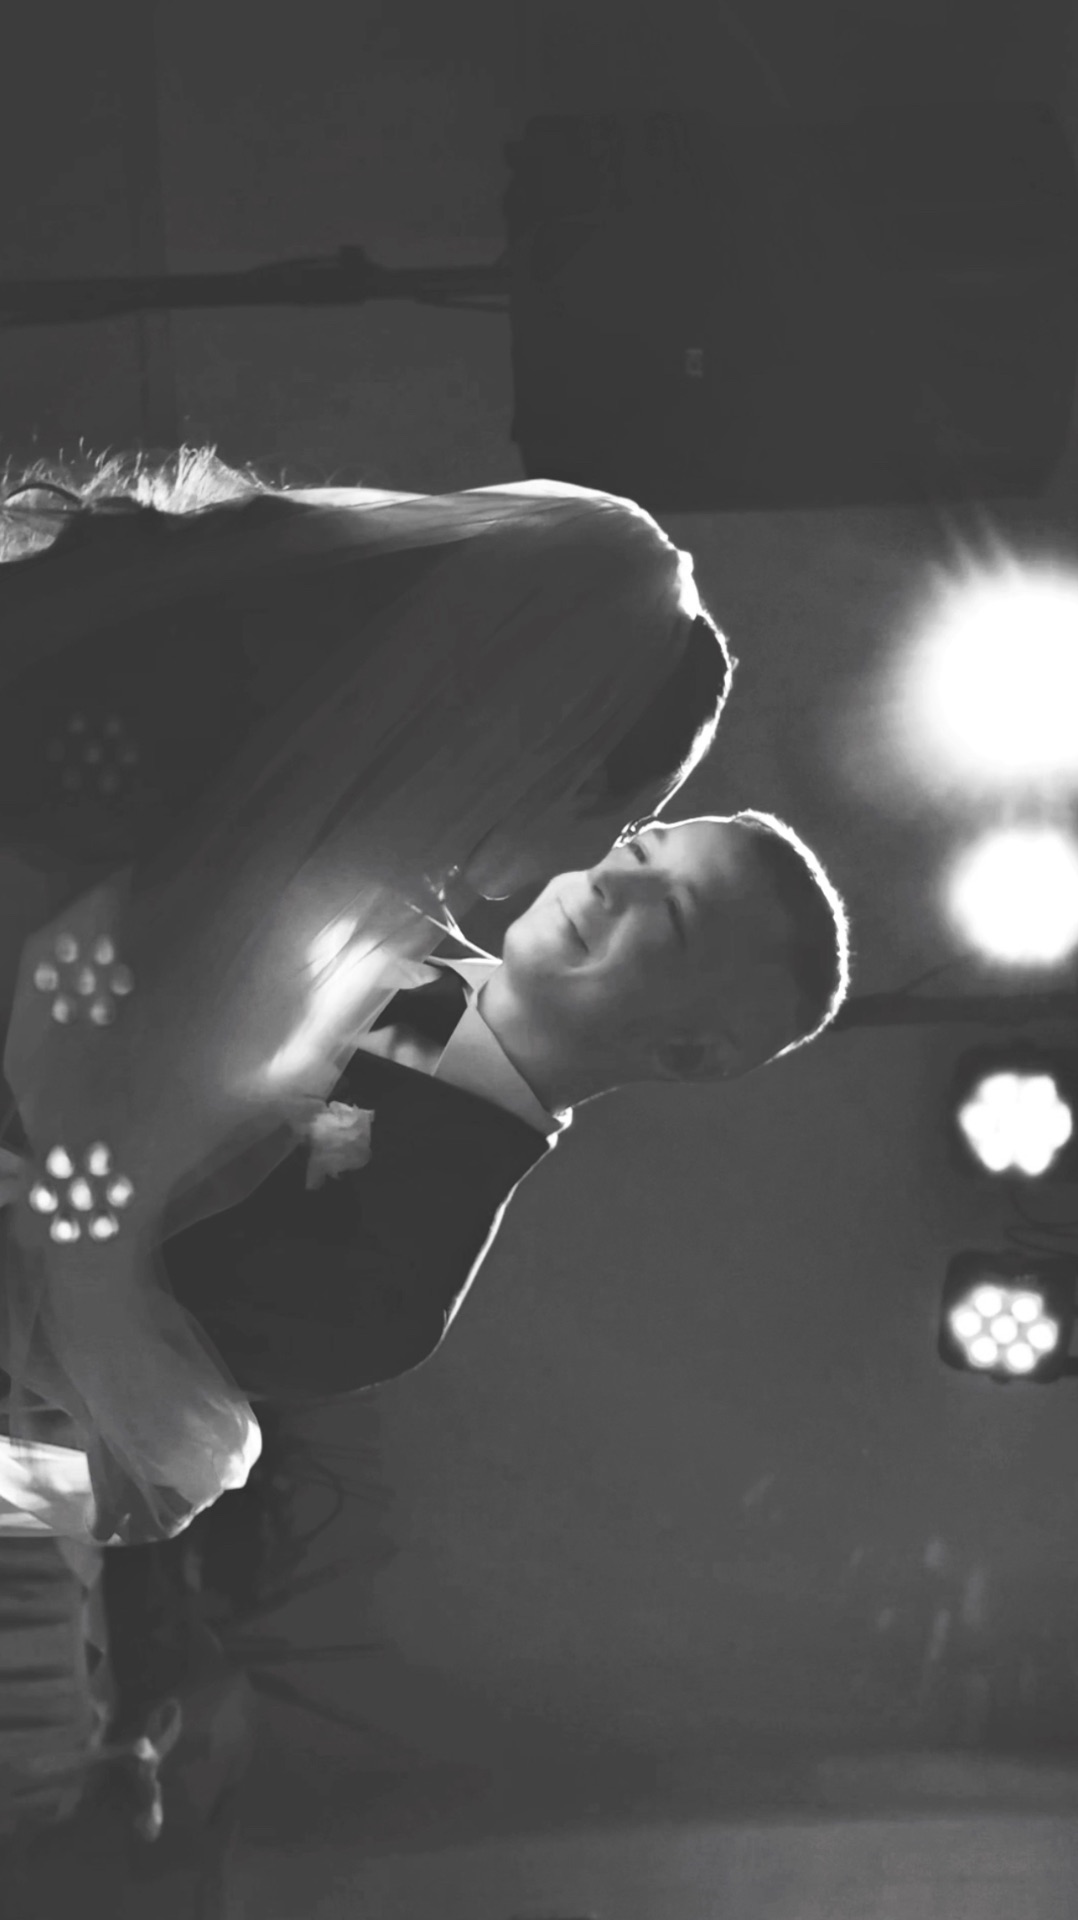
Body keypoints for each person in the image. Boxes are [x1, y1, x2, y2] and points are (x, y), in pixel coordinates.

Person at [0, 449, 733, 1546]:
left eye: (654, 884)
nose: (598, 869)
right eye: (633, 835)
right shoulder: (304, 910)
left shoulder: (394, 1256)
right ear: (564, 768)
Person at [139, 807, 853, 1407]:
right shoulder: (379, 889)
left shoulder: (392, 1291)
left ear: (690, 1052)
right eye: (640, 847)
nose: (610, 880)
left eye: (671, 913)